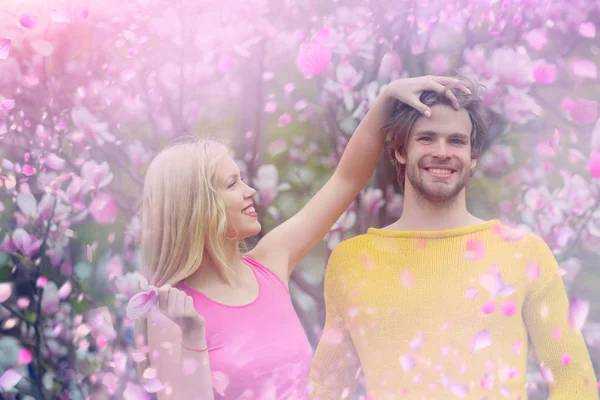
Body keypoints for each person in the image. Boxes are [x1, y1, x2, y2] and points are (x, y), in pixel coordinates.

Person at [130, 76, 469, 399]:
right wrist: (191, 334)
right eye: (232, 184)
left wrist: (385, 99)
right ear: (196, 207)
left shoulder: (270, 262)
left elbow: (346, 180)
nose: (250, 191)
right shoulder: (170, 313)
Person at [310, 79, 600, 400]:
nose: (442, 152)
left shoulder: (525, 253)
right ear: (400, 151)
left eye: (457, 141)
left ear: (473, 156)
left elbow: (575, 382)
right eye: (427, 138)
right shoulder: (351, 261)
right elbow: (326, 389)